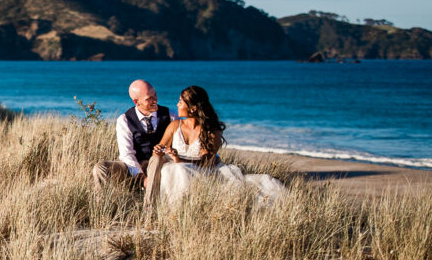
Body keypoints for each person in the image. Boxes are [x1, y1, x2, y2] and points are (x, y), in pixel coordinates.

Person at [142, 85, 290, 219]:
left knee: (179, 169)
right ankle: (163, 213)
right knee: (172, 169)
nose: (177, 104)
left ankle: (182, 214)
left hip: (205, 171)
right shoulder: (175, 125)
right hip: (177, 166)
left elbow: (206, 161)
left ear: (193, 108)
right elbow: (161, 146)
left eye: (180, 102)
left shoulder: (211, 130)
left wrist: (179, 159)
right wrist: (159, 149)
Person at [93, 79, 170, 192]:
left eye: (155, 95)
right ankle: (103, 206)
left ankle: (149, 206)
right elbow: (127, 154)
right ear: (136, 101)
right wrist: (141, 177)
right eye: (149, 99)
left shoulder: (171, 115)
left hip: (160, 164)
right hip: (134, 168)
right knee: (101, 167)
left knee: (156, 164)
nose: (155, 100)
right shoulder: (124, 120)